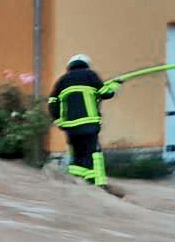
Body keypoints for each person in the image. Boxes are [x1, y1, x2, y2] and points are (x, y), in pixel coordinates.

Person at [47, 54, 121, 192]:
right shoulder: (90, 75)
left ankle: (77, 183)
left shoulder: (62, 81)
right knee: (93, 152)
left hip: (70, 127)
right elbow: (105, 93)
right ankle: (99, 184)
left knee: (77, 154)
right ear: (86, 64)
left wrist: (59, 121)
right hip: (89, 124)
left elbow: (52, 103)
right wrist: (115, 85)